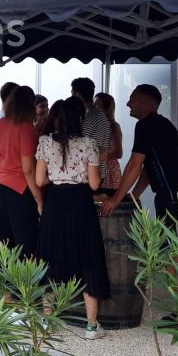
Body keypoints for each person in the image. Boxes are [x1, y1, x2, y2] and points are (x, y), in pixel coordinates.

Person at [36, 98, 110, 339]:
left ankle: (47, 320)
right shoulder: (89, 144)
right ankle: (91, 326)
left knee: (51, 256)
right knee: (88, 258)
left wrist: (57, 176)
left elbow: (39, 181)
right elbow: (95, 183)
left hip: (55, 202)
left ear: (58, 118)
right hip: (80, 204)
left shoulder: (45, 142)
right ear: (81, 119)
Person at [99, 85, 178, 227]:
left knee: (173, 246)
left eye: (132, 99)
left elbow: (134, 165)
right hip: (176, 196)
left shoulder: (146, 125)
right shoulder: (161, 124)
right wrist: (135, 194)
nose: (128, 104)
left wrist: (115, 200)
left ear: (144, 103)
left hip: (172, 198)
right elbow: (149, 168)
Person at [0, 85, 42, 257]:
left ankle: (4, 282)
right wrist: (39, 199)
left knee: (4, 240)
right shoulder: (26, 128)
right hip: (19, 188)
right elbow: (28, 169)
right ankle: (23, 283)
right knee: (25, 242)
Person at [70, 77, 111, 189]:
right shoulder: (99, 115)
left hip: (88, 175)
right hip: (96, 173)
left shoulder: (90, 118)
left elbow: (79, 148)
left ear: (77, 94)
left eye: (72, 93)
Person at [93, 92, 124, 193]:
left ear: (107, 108)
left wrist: (95, 157)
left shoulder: (113, 126)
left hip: (108, 171)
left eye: (97, 104)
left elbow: (118, 153)